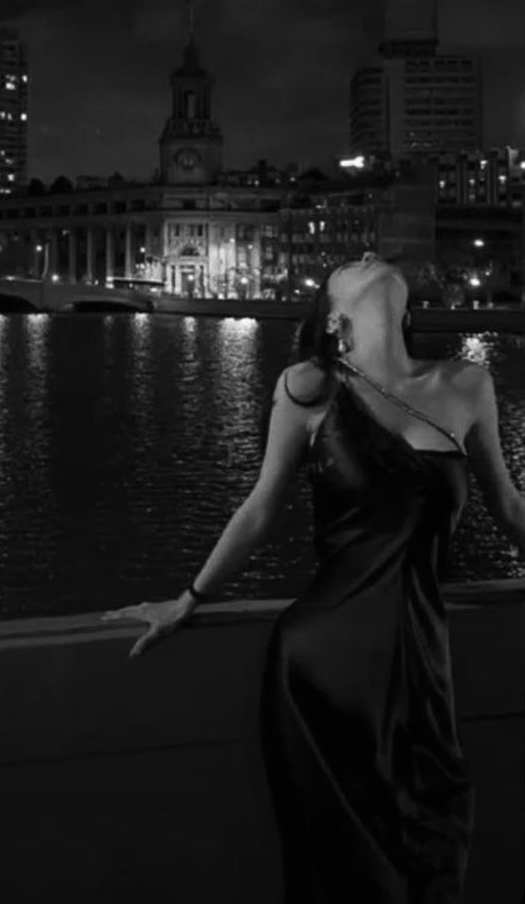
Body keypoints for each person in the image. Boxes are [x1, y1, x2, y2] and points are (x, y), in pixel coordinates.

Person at [102, 251, 525, 903]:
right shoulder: (309, 387)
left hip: (418, 657)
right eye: (348, 269)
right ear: (335, 321)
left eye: (373, 260)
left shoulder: (467, 384)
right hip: (324, 664)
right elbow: (259, 508)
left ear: (406, 307)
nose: (364, 255)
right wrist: (187, 598)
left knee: (434, 833)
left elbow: (511, 508)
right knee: (343, 867)